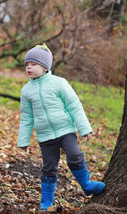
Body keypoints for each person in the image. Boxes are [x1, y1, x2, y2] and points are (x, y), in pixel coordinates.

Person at [17, 44, 105, 211]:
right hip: (45, 136)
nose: (28, 67)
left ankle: (87, 185)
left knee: (75, 154)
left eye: (33, 64)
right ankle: (46, 202)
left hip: (65, 130)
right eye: (26, 64)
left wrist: (84, 128)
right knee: (49, 167)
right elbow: (26, 117)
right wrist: (23, 140)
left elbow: (74, 105)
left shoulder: (59, 83)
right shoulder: (26, 91)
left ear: (45, 67)